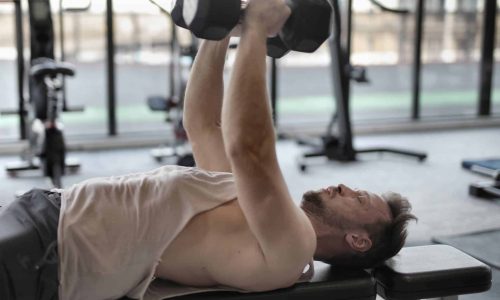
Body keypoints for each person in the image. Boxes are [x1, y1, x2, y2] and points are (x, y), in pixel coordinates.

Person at [0, 0, 416, 299]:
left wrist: (256, 31)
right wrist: (221, 34)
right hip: (47, 216)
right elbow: (203, 125)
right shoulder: (262, 213)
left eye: (360, 198)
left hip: (49, 252)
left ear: (358, 240)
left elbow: (248, 147)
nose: (345, 186)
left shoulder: (292, 246)